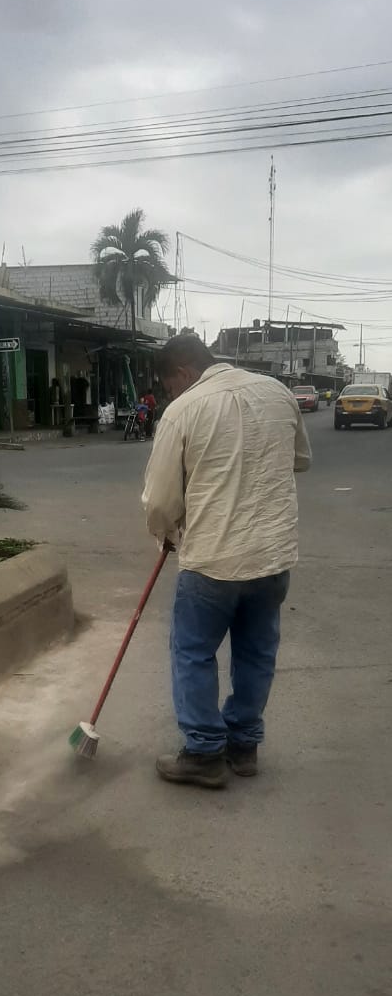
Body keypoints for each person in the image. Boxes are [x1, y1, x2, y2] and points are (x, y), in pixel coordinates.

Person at [142, 333, 311, 789]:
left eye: (169, 385)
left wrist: (166, 531)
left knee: (193, 651)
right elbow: (301, 460)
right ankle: (243, 744)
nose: (170, 394)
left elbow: (160, 501)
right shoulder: (277, 393)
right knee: (256, 651)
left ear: (182, 373)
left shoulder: (183, 410)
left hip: (213, 560)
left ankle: (203, 752)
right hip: (273, 556)